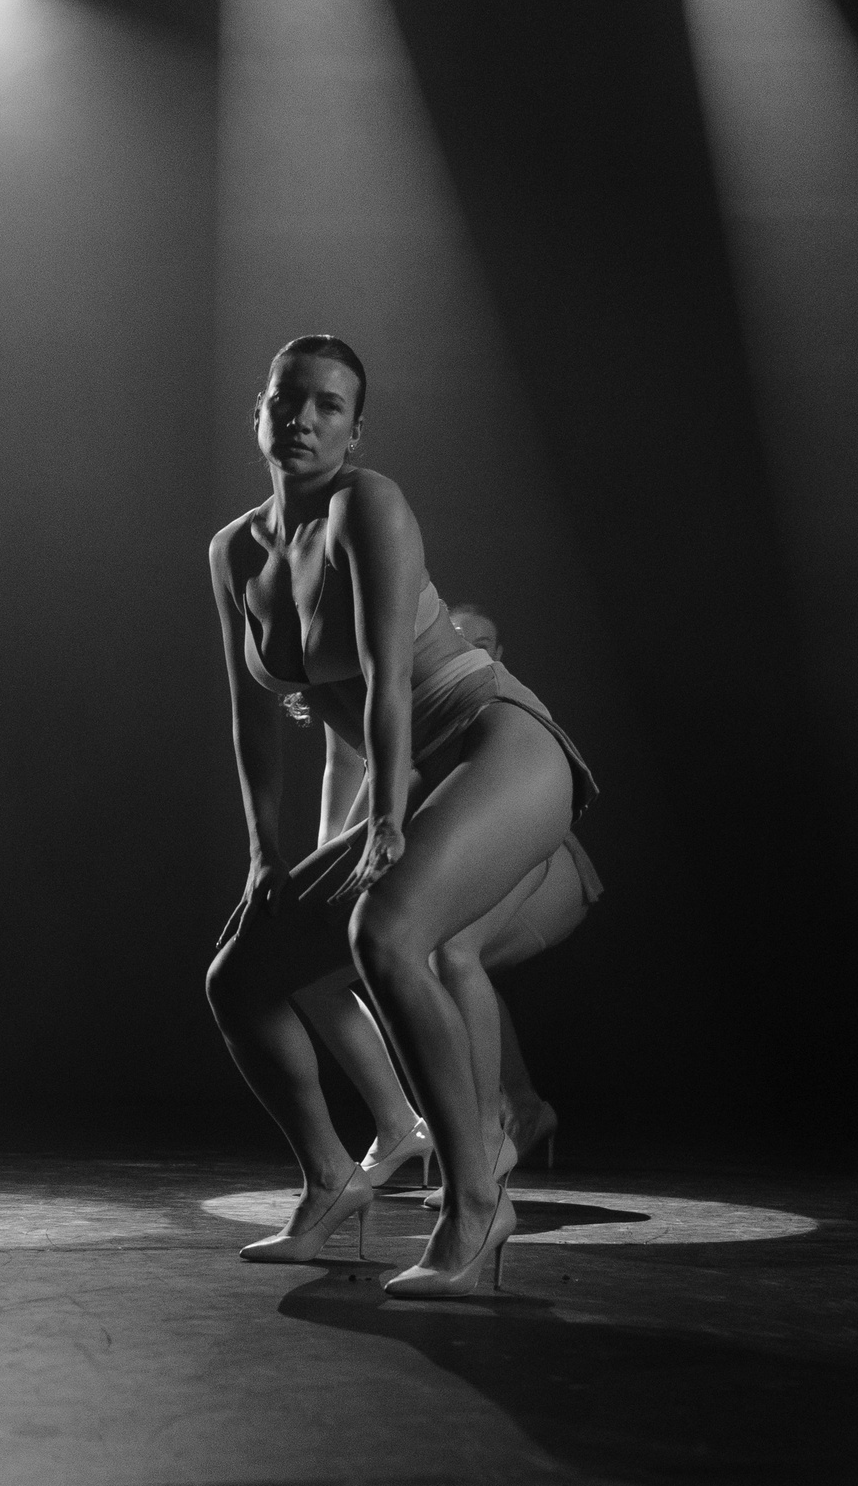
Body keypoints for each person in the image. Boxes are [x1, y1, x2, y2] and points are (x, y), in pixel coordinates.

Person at [206, 336, 596, 1297]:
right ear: (259, 411)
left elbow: (385, 679)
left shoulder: (365, 506)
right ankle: (331, 1182)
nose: (304, 417)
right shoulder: (234, 552)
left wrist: (383, 818)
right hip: (419, 770)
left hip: (503, 743)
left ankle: (476, 1202)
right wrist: (264, 857)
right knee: (242, 976)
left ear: (355, 428)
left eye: (329, 405)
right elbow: (252, 718)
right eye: (289, 400)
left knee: (387, 934)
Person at [293, 601, 597, 1202]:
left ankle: (487, 1140)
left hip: (546, 860)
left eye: (474, 638)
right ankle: (404, 1123)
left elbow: (398, 776)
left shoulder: (462, 695)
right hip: (436, 846)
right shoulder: (352, 676)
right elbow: (345, 763)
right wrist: (322, 869)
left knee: (446, 953)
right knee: (316, 966)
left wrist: (344, 867)